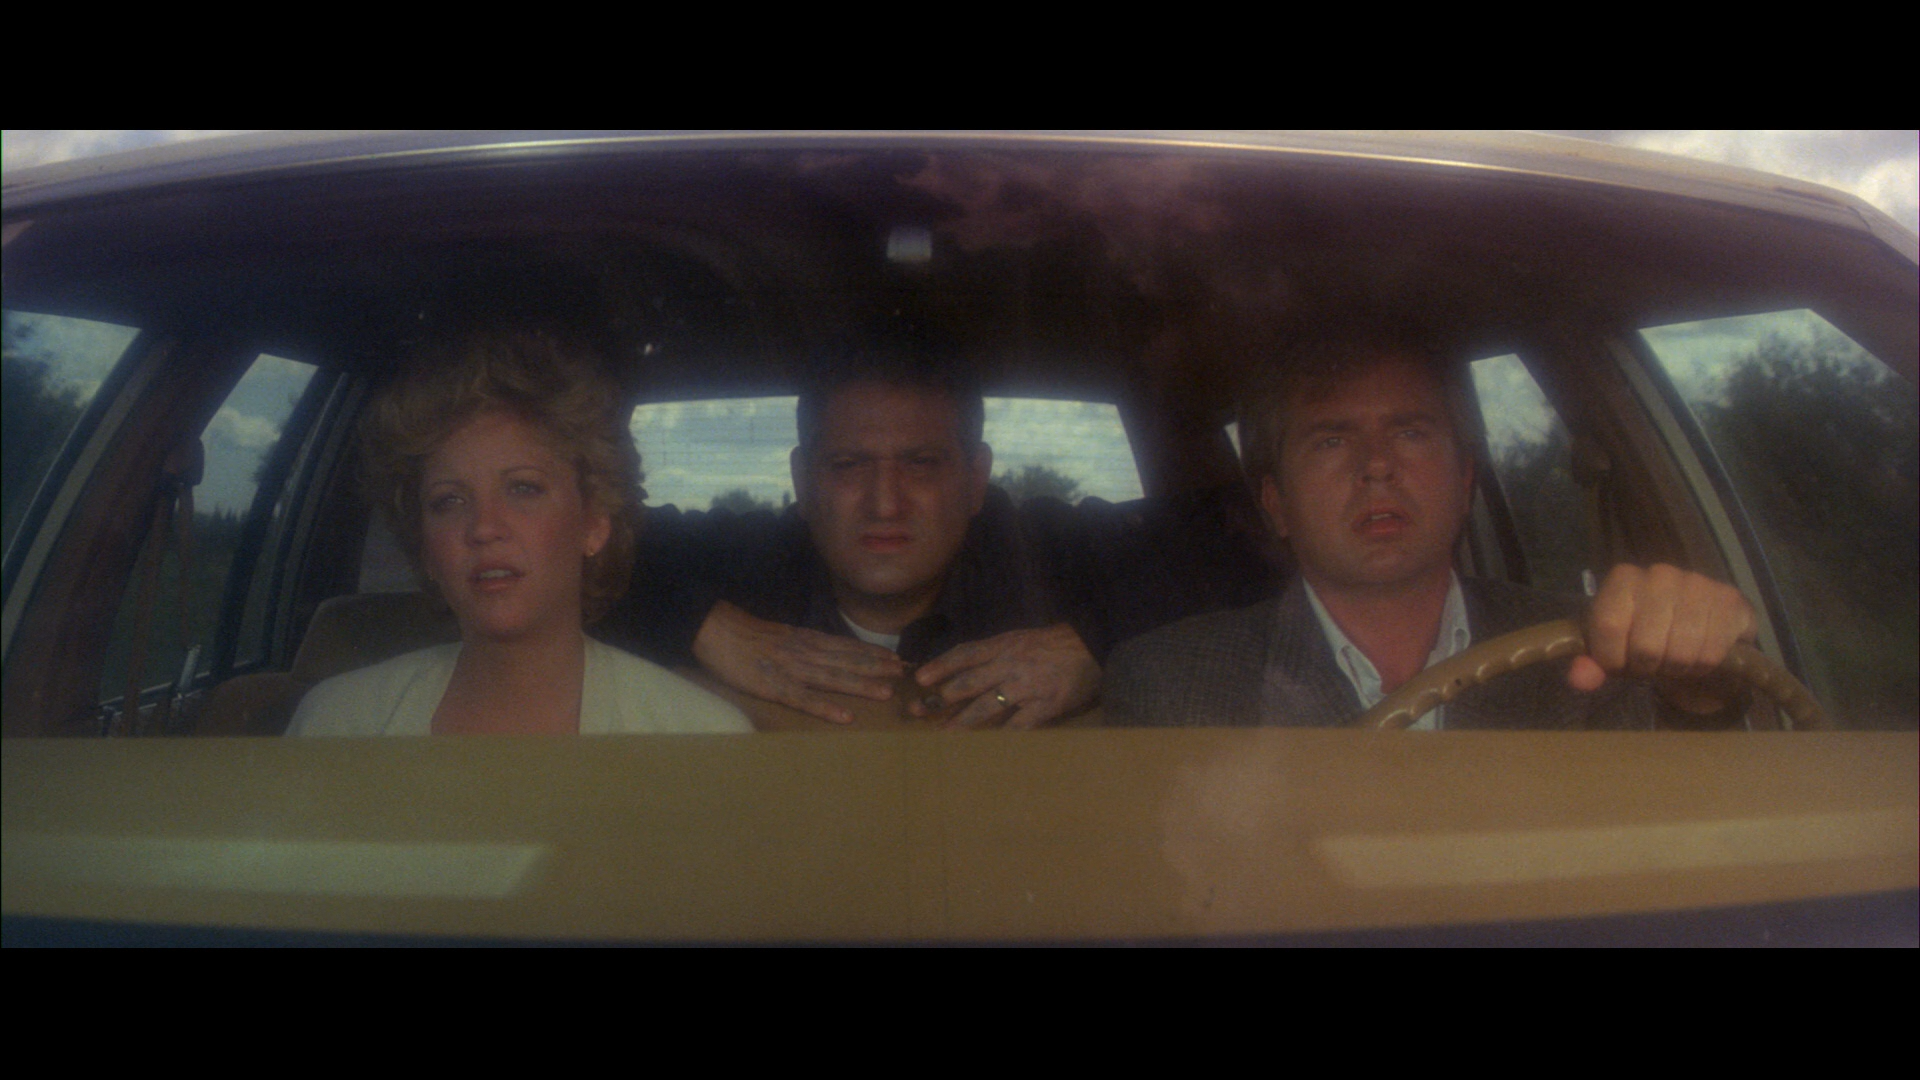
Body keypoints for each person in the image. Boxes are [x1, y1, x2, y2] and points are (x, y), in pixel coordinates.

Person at [1105, 332, 1757, 729]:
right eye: (1331, 441)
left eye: (1411, 432)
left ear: (1464, 481)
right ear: (1276, 505)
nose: (1377, 466)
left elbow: (1684, 840)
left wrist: (1702, 692)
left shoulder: (1596, 650)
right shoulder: (1172, 682)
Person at [605, 349, 1271, 729]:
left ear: (976, 480)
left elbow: (1257, 537)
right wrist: (699, 624)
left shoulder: (1045, 553)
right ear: (803, 482)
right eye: (848, 466)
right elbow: (575, 548)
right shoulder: (737, 561)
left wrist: (1098, 643)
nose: (884, 501)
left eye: (922, 464)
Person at [288, 332, 752, 736]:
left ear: (594, 523)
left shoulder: (700, 735)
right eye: (449, 501)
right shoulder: (339, 723)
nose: (484, 527)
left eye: (523, 489)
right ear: (425, 548)